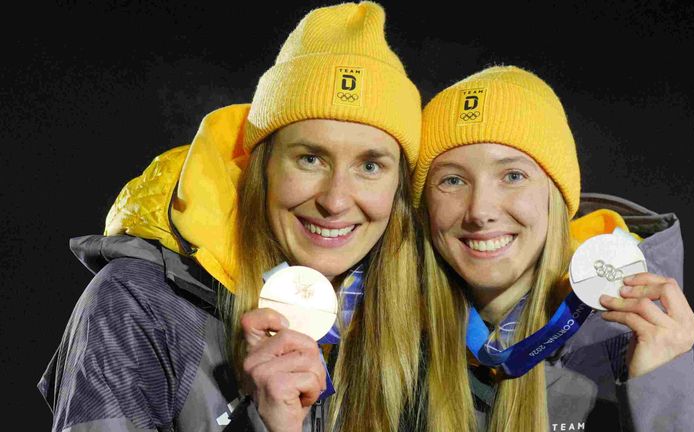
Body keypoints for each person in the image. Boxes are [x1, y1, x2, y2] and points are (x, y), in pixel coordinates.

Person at [38, 3, 424, 431]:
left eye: (370, 166)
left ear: (398, 190)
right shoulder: (139, 304)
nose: (335, 201)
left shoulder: (408, 321)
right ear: (262, 168)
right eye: (310, 158)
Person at [412, 66, 694, 431]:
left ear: (558, 198)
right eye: (452, 180)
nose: (480, 210)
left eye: (513, 176)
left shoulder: (668, 346)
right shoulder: (390, 351)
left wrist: (661, 390)